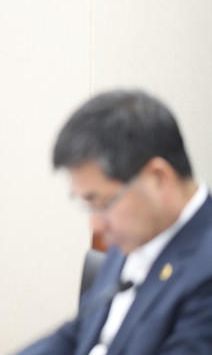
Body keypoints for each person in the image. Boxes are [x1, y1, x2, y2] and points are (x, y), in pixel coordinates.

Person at [15, 90, 212, 355]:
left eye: (103, 203)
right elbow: (80, 331)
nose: (96, 226)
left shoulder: (204, 271)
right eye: (88, 206)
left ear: (158, 178)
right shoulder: (137, 233)